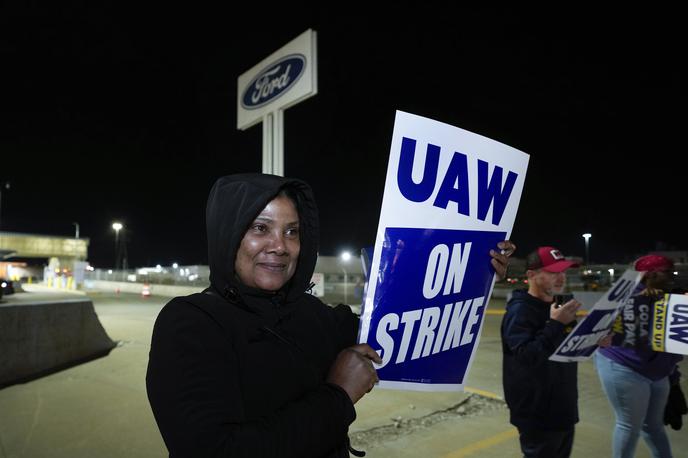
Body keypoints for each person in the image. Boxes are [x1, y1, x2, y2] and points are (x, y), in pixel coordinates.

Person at [146, 173, 515, 458]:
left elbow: (402, 328)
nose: (280, 246)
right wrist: (338, 395)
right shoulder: (190, 323)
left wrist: (470, 274)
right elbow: (215, 451)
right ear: (228, 236)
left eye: (292, 232)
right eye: (260, 228)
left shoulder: (312, 313)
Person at [595, 254, 683, 458]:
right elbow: (602, 328)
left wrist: (673, 376)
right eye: (667, 272)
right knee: (629, 426)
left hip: (658, 372)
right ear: (649, 274)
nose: (672, 276)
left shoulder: (670, 298)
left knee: (654, 426)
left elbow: (672, 343)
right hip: (625, 367)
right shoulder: (623, 296)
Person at [501, 246, 582, 458]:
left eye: (563, 271)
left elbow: (567, 348)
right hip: (537, 412)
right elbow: (526, 357)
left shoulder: (559, 307)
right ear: (531, 275)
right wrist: (555, 324)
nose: (561, 277)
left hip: (563, 405)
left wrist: (594, 339)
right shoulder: (520, 310)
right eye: (553, 272)